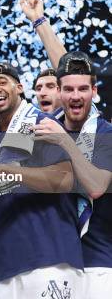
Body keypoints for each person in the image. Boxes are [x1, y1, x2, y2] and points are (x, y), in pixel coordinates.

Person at [0, 62, 82, 298]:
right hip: (4, 266)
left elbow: (65, 179)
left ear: (19, 87)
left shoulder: (41, 123)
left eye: (2, 82)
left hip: (49, 259)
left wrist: (6, 171)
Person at [33, 52, 112, 298]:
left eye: (82, 89)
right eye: (68, 89)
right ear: (58, 90)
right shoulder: (39, 130)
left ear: (94, 91)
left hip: (97, 263)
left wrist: (66, 142)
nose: (76, 96)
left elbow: (96, 187)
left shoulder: (105, 132)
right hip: (51, 262)